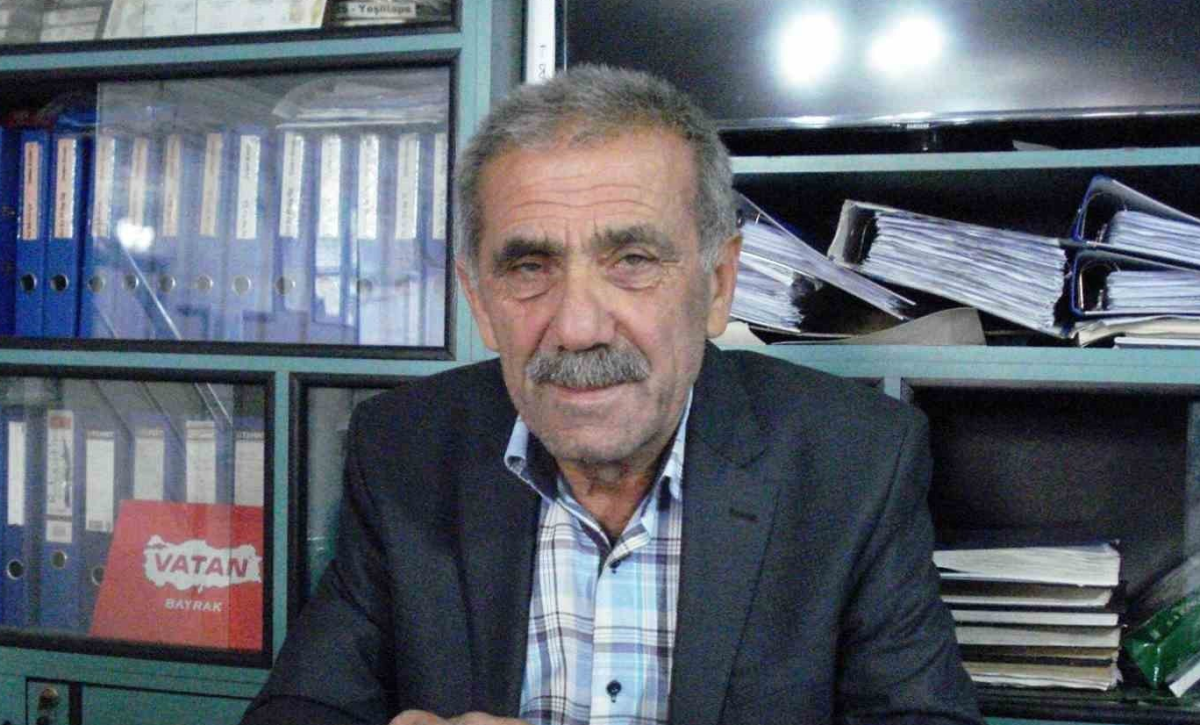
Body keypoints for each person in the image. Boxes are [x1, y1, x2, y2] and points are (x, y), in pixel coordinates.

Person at [241, 64, 983, 725]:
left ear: (717, 285)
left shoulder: (856, 463)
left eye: (632, 259)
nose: (578, 328)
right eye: (529, 267)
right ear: (479, 300)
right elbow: (303, 706)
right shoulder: (403, 448)